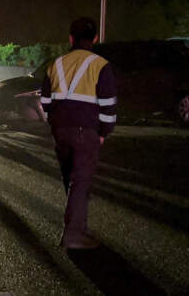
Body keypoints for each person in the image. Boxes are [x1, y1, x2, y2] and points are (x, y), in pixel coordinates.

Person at [40, 17, 117, 250]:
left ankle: (79, 227)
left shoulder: (56, 64)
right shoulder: (101, 65)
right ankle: (73, 235)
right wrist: (103, 133)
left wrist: (55, 123)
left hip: (60, 131)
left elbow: (44, 102)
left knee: (72, 180)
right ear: (95, 38)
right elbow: (109, 106)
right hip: (86, 131)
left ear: (71, 38)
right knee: (80, 182)